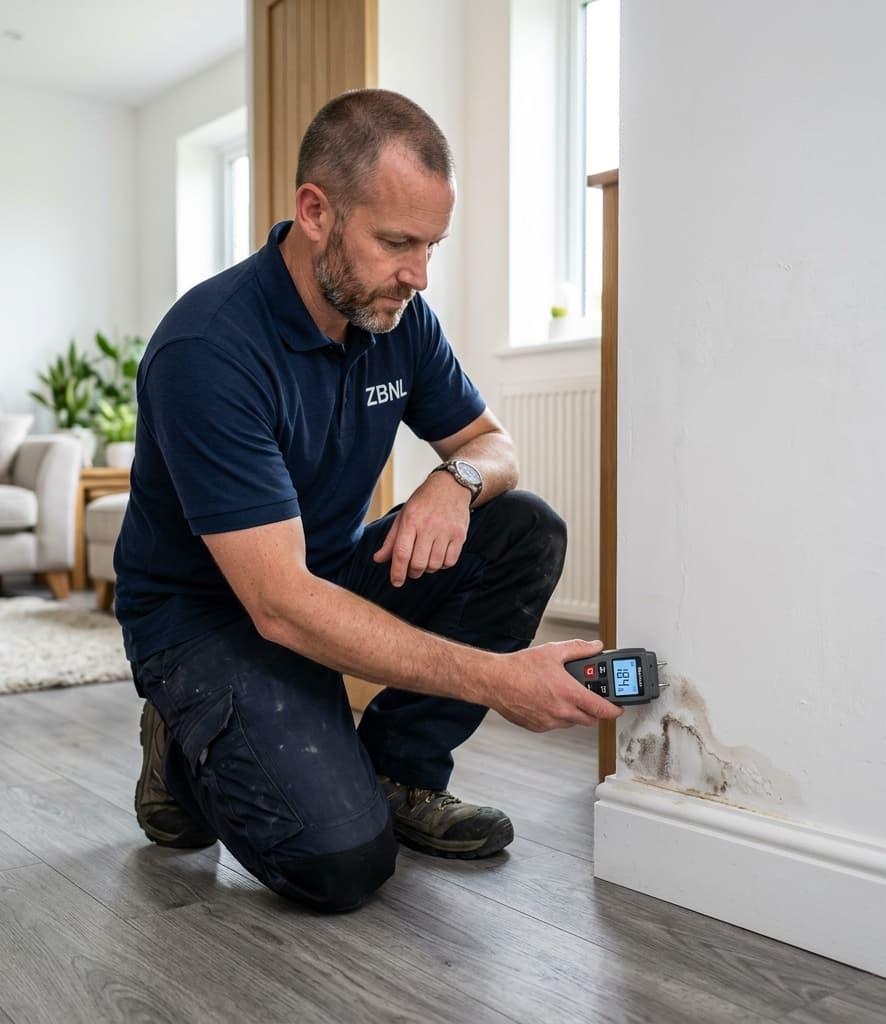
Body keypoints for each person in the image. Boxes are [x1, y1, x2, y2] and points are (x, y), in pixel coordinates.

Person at [114, 88, 620, 914]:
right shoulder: (209, 350)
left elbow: (497, 448)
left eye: (430, 245)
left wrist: (452, 484)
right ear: (315, 210)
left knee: (523, 528)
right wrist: (498, 680)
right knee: (341, 865)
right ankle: (179, 743)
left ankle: (400, 771)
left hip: (321, 575)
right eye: (396, 243)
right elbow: (277, 605)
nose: (418, 275)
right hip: (208, 621)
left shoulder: (396, 314)